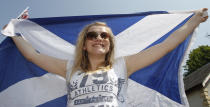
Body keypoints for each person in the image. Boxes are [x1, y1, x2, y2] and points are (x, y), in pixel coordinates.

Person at [5, 8, 208, 107]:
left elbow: (165, 47)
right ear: (84, 44)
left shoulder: (123, 65)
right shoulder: (69, 68)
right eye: (92, 35)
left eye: (105, 35)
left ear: (110, 42)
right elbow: (32, 56)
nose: (99, 38)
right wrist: (13, 32)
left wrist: (193, 23)